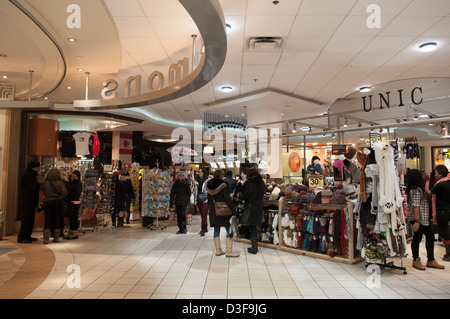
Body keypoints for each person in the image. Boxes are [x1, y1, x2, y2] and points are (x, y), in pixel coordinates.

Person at [406, 170, 444, 270]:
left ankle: (430, 259)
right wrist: (416, 221)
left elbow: (428, 192)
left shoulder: (418, 189)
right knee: (417, 239)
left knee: (430, 237)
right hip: (419, 218)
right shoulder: (416, 190)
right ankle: (416, 260)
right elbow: (415, 206)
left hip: (423, 218)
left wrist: (427, 180)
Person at [206, 170, 239, 257]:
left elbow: (209, 201)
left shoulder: (209, 185)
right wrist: (233, 210)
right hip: (224, 211)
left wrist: (212, 210)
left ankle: (218, 250)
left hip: (214, 211)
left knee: (216, 230)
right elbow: (228, 199)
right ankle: (228, 251)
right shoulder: (223, 185)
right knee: (229, 229)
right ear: (221, 175)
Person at [238, 167, 265, 254]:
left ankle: (254, 248)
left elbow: (245, 196)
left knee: (252, 226)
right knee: (255, 225)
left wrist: (239, 195)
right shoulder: (262, 182)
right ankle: (254, 246)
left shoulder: (249, 183)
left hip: (250, 206)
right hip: (259, 206)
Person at [425, 165, 450, 261]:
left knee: (444, 233)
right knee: (444, 231)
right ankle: (447, 253)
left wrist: (427, 181)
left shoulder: (441, 184)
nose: (434, 175)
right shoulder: (447, 181)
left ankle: (449, 254)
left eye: (435, 173)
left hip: (441, 211)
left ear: (441, 174)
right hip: (447, 210)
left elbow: (429, 192)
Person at [40, 168, 67, 244]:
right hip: (57, 202)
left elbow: (41, 189)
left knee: (47, 220)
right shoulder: (60, 183)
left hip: (47, 202)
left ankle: (46, 239)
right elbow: (64, 194)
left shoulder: (45, 183)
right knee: (56, 220)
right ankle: (56, 238)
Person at [17, 161, 41, 243]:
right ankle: (22, 237)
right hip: (27, 202)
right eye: (38, 167)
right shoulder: (27, 175)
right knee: (26, 220)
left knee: (30, 220)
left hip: (30, 202)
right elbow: (33, 187)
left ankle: (27, 236)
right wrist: (40, 185)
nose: (39, 169)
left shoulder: (30, 175)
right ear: (34, 168)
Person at [65, 170, 82, 240]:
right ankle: (71, 231)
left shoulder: (78, 184)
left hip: (75, 202)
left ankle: (74, 232)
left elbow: (76, 194)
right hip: (70, 202)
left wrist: (69, 194)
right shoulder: (70, 183)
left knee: (74, 217)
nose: (71, 177)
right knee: (71, 217)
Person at [196, 168, 209, 236]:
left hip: (206, 200)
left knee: (204, 214)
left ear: (204, 172)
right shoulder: (197, 181)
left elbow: (209, 190)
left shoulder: (208, 180)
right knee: (202, 215)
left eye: (201, 172)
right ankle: (205, 227)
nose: (199, 173)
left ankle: (203, 228)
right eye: (199, 172)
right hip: (199, 200)